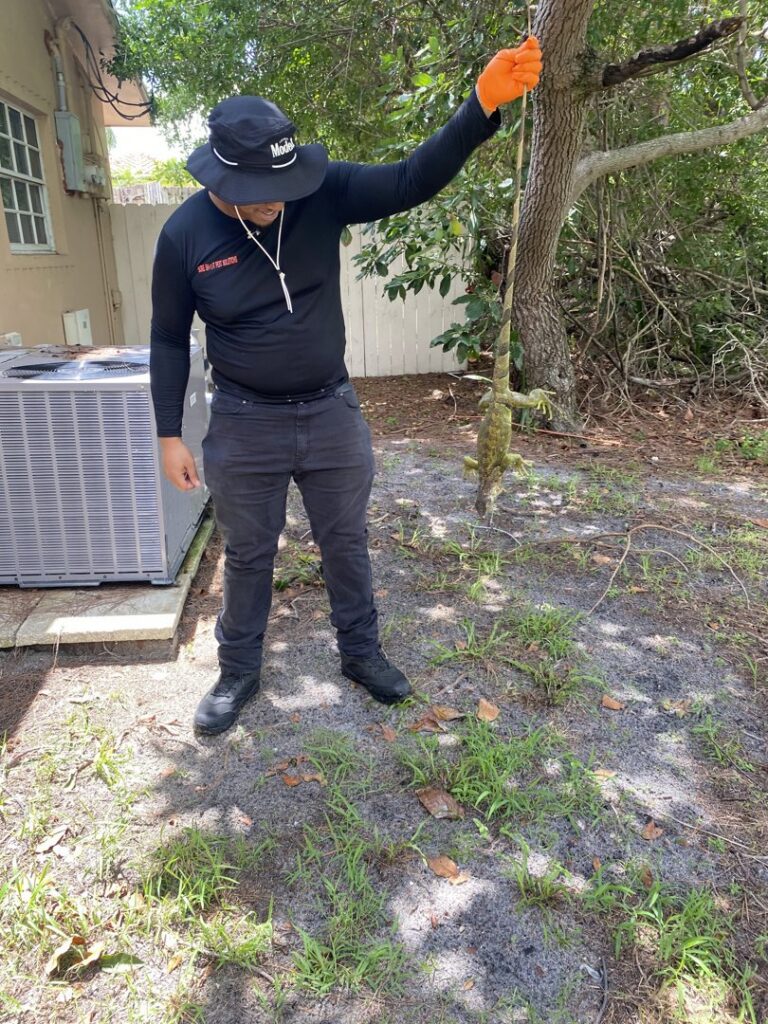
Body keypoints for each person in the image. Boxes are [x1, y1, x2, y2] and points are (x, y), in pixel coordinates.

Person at [150, 39, 543, 735]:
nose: (274, 200)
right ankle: (238, 670)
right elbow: (165, 337)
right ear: (222, 178)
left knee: (346, 542)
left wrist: (480, 106)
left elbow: (408, 180)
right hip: (244, 421)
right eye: (256, 192)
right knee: (246, 552)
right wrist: (168, 435)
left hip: (330, 410)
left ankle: (361, 653)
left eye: (280, 184)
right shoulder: (183, 236)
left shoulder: (318, 191)